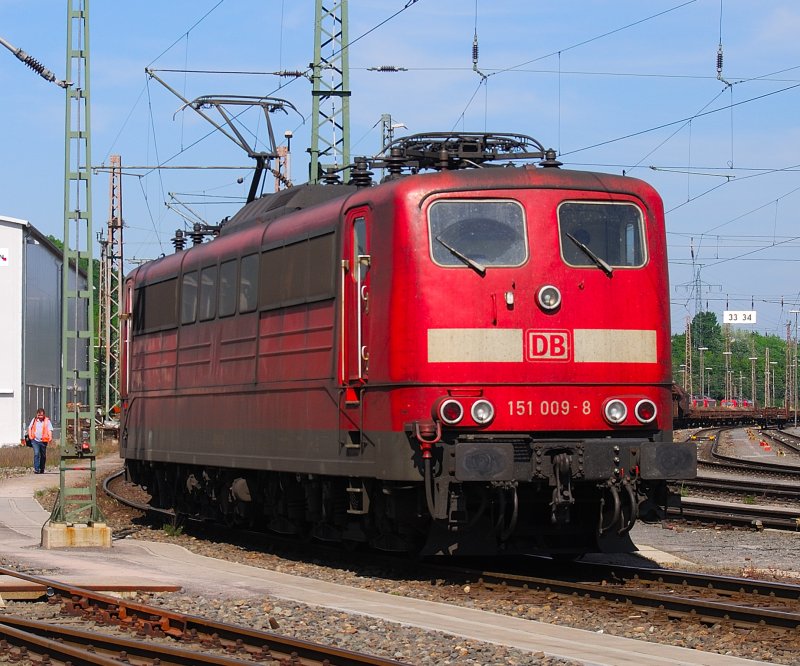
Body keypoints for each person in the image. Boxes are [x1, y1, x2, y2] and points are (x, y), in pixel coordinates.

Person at [27, 408, 53, 474]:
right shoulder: (34, 420)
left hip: (43, 441)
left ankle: (42, 468)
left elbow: (50, 429)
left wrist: (50, 437)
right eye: (39, 415)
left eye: (42, 415)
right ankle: (36, 469)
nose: (40, 417)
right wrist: (30, 436)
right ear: (37, 415)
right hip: (35, 440)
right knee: (36, 453)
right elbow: (30, 428)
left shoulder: (47, 421)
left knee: (43, 455)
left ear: (44, 415)